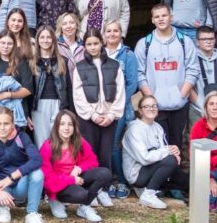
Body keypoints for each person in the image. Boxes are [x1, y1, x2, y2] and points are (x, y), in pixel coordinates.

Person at [71, 29, 125, 207]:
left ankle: (104, 190)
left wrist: (111, 114)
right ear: (84, 46)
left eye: (95, 43)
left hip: (109, 118)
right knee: (89, 154)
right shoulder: (80, 67)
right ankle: (90, 190)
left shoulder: (115, 65)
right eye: (89, 44)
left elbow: (120, 92)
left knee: (105, 153)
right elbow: (78, 95)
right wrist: (93, 115)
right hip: (89, 119)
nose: (93, 47)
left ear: (101, 43)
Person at [135, 4, 198, 149]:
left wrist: (182, 94)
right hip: (156, 106)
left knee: (176, 142)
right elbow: (140, 73)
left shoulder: (185, 42)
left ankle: (175, 170)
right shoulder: (144, 43)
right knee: (159, 144)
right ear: (152, 20)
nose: (161, 19)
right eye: (157, 16)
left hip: (179, 104)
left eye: (164, 15)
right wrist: (151, 98)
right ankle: (163, 171)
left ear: (171, 17)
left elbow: (193, 70)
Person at [0, 107, 47, 223]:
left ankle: (32, 214)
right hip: (2, 186)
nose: (2, 127)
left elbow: (37, 160)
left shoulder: (22, 137)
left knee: (38, 174)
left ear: (12, 124)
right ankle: (3, 206)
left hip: (20, 184)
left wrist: (11, 178)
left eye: (6, 123)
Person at [40, 110, 111, 222]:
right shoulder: (48, 146)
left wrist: (78, 168)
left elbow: (92, 161)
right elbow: (48, 179)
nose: (66, 128)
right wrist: (71, 179)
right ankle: (55, 201)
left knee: (104, 173)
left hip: (75, 178)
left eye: (70, 124)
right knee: (81, 195)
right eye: (62, 124)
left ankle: (84, 207)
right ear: (56, 127)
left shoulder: (79, 142)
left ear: (74, 127)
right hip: (58, 184)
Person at [123, 96, 188, 209]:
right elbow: (145, 158)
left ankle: (154, 189)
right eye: (146, 106)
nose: (151, 109)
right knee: (171, 161)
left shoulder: (157, 127)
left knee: (186, 181)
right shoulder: (135, 129)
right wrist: (168, 151)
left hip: (152, 168)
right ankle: (148, 195)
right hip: (137, 173)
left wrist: (172, 151)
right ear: (140, 111)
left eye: (154, 106)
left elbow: (163, 150)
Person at [104, 20, 138, 198]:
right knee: (104, 146)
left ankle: (122, 182)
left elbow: (132, 83)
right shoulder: (99, 52)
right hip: (101, 107)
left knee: (114, 146)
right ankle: (108, 180)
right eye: (108, 31)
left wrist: (117, 102)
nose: (112, 34)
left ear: (121, 33)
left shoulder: (128, 55)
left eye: (115, 31)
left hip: (120, 107)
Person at [0, 33, 34, 129]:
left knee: (15, 142)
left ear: (14, 46)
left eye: (9, 43)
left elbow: (28, 89)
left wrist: (8, 95)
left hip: (15, 112)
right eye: (2, 43)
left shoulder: (21, 63)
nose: (5, 46)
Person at [31, 25, 71, 147]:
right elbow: (29, 87)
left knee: (58, 139)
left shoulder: (62, 60)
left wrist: (68, 108)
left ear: (53, 40)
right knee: (42, 141)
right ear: (37, 40)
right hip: (39, 104)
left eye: (49, 37)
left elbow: (68, 86)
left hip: (58, 103)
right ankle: (44, 166)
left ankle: (58, 165)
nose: (45, 40)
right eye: (42, 37)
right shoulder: (32, 61)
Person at [190, 25, 217, 130]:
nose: (208, 41)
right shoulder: (191, 60)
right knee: (200, 144)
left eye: (211, 38)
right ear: (197, 42)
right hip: (198, 108)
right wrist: (203, 106)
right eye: (204, 39)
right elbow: (189, 88)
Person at [2, 8, 37, 73]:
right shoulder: (0, 42)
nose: (16, 23)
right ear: (8, 22)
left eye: (20, 21)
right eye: (13, 20)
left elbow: (34, 67)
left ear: (24, 24)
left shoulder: (31, 42)